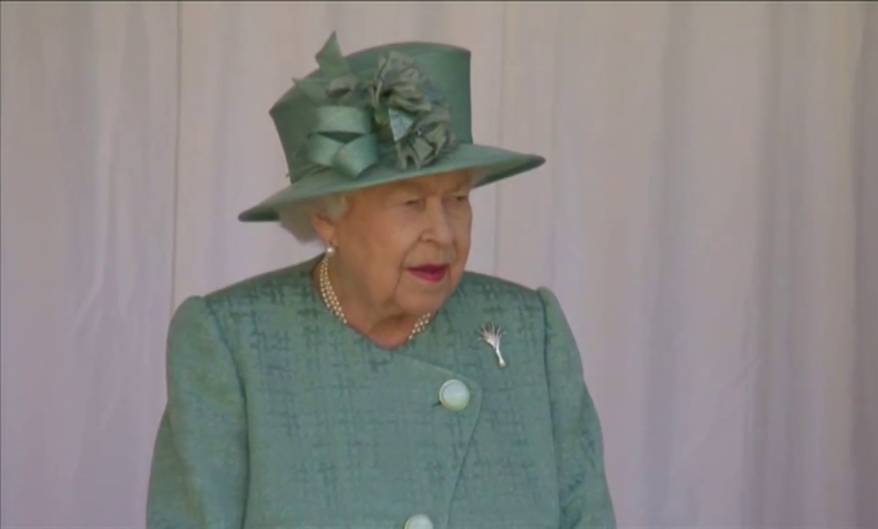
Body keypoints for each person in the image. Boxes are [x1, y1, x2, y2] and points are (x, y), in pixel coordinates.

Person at [146, 32, 616, 529]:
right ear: (328, 218)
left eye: (457, 199)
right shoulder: (233, 344)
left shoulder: (529, 332)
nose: (442, 233)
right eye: (412, 203)